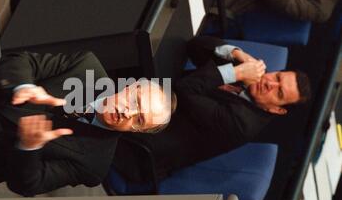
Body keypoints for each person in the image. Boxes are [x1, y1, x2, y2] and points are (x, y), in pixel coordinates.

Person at [0, 51, 175, 200]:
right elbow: (21, 60)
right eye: (136, 99)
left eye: (138, 119)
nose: (128, 111)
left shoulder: (94, 165)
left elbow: (27, 183)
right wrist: (24, 86)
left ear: (137, 131)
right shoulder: (87, 67)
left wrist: (30, 145)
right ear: (133, 85)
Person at [112, 36, 311, 183]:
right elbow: (195, 45)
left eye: (279, 93)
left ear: (277, 110)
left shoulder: (243, 124)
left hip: (139, 146)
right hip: (149, 100)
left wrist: (235, 72)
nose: (270, 84)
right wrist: (237, 53)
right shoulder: (250, 78)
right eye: (277, 77)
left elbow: (184, 91)